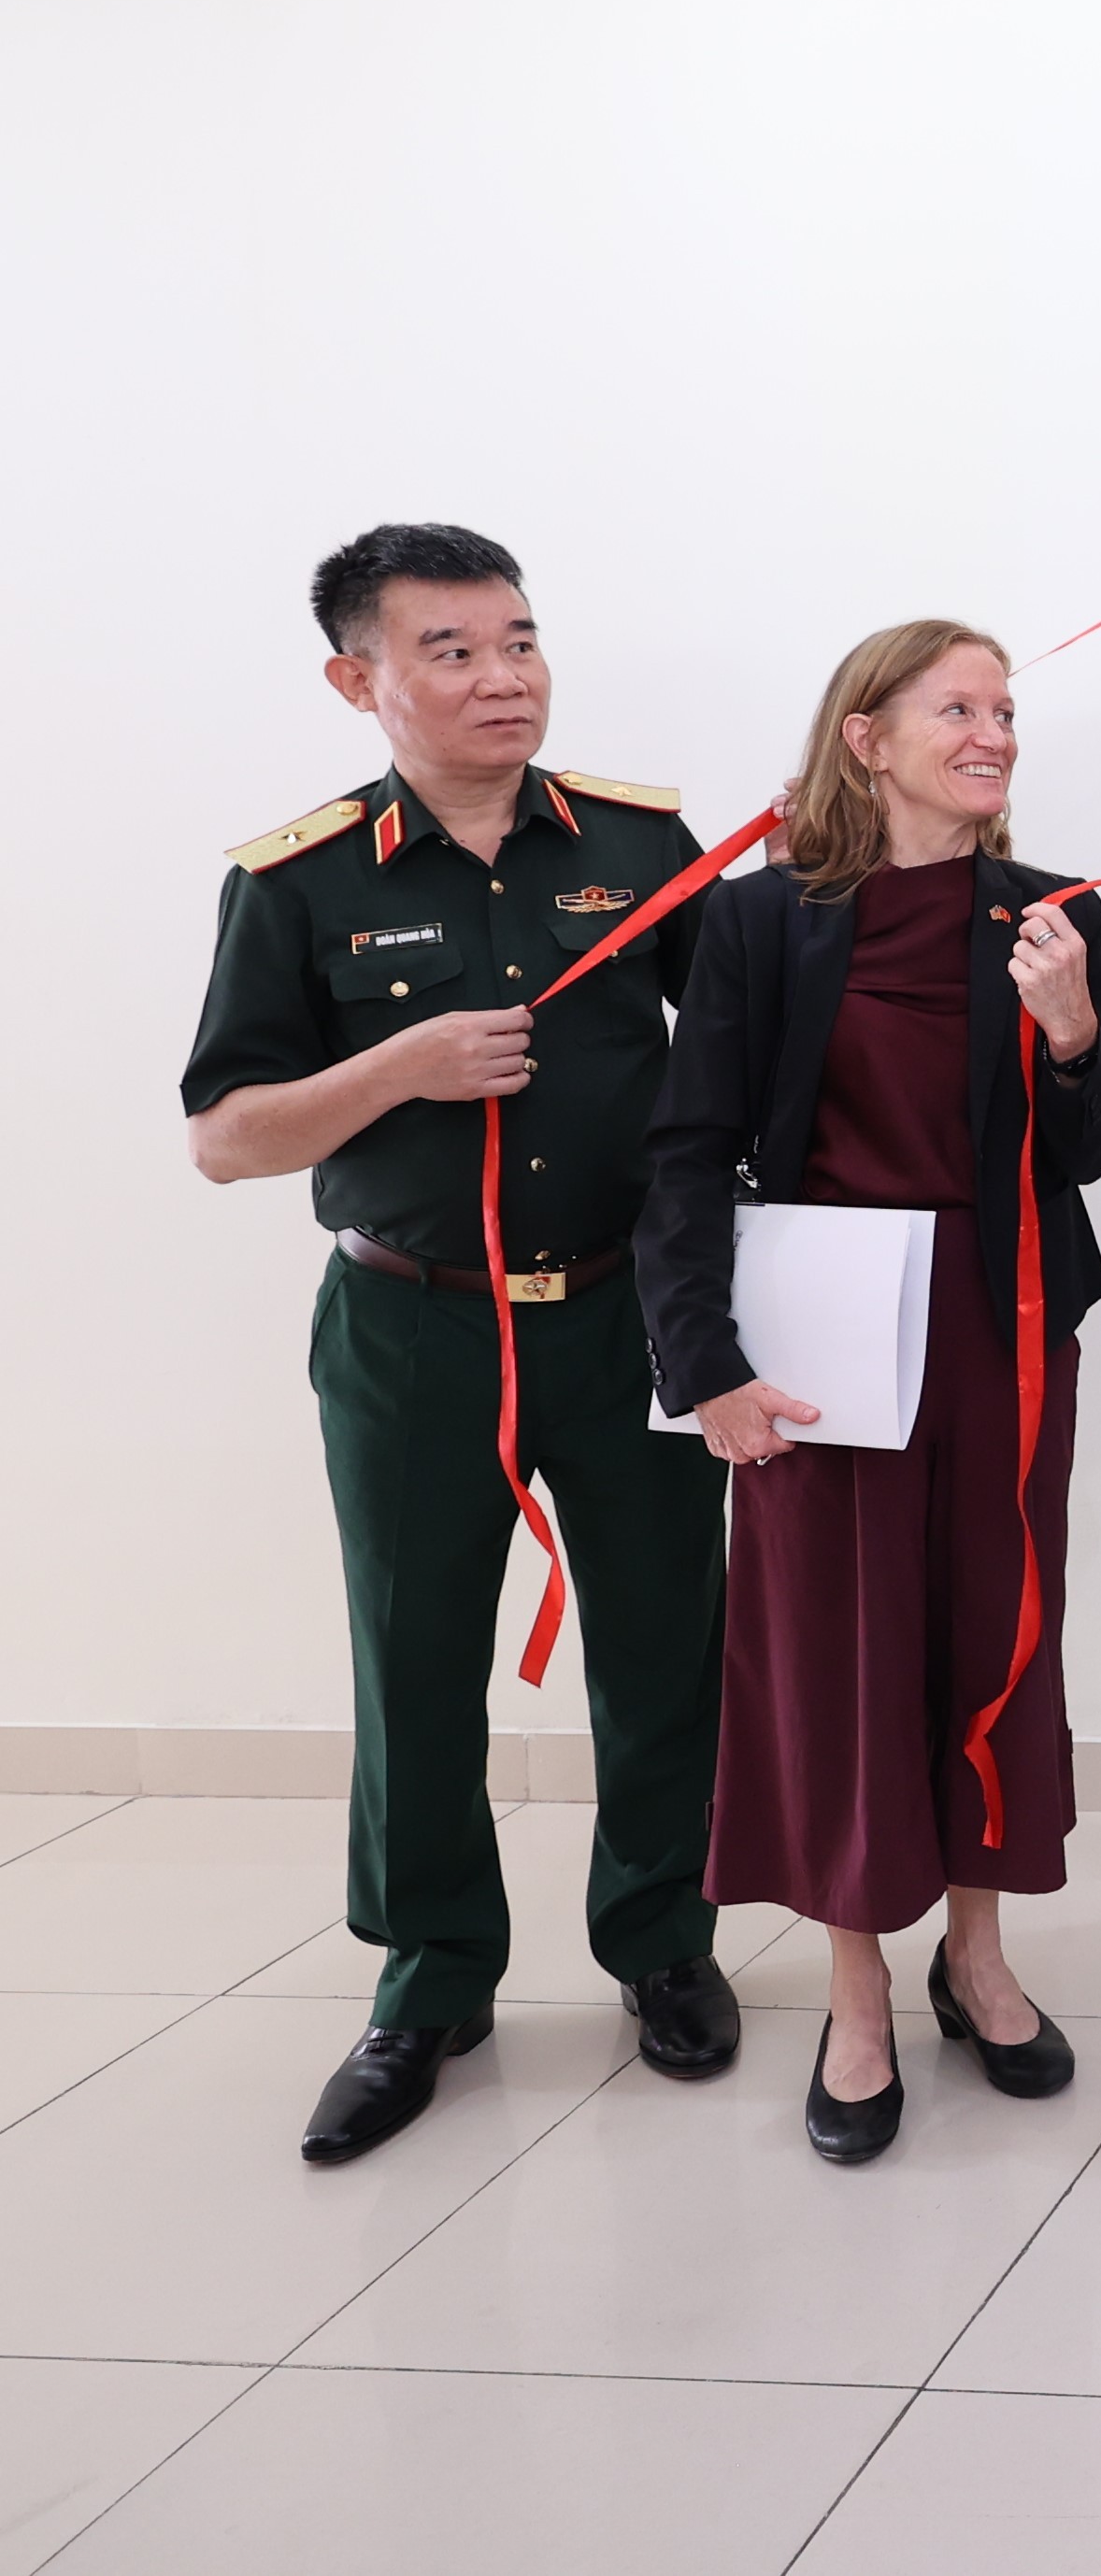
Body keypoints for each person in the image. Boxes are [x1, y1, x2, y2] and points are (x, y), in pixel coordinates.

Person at [182, 524, 740, 2164]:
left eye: (520, 642)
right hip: (413, 1327)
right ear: (356, 680)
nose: (505, 679)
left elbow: (752, 1040)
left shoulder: (640, 843)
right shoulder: (296, 882)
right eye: (453, 651)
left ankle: (664, 1942)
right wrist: (399, 1068)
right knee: (413, 1654)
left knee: (666, 1642)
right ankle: (430, 1982)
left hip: (630, 1317)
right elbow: (225, 1138)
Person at [637, 620, 1101, 2166]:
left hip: (1001, 1331)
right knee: (837, 1664)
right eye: (957, 708)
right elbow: (688, 1150)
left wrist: (1073, 1034)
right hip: (820, 1348)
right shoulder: (758, 921)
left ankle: (976, 1957)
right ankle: (856, 1996)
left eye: (1005, 711)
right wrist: (702, 1365)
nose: (994, 735)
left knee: (993, 1638)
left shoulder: (1054, 914)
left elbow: (1087, 1150)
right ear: (868, 738)